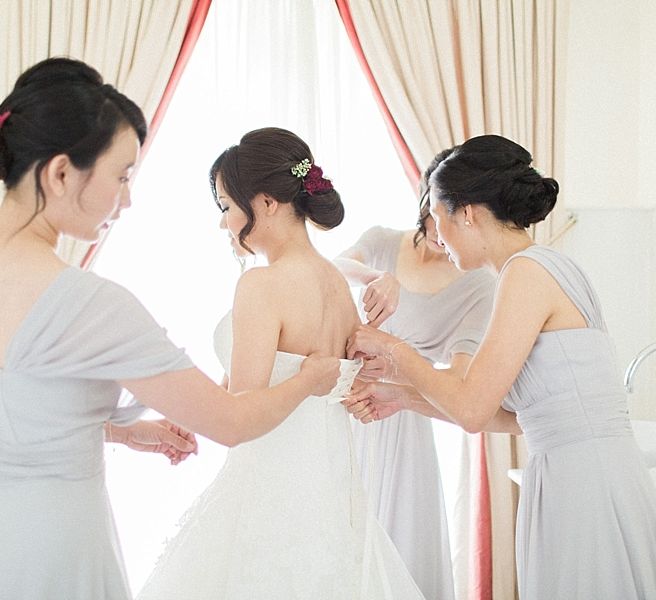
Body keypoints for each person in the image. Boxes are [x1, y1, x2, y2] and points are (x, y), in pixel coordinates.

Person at [0, 58, 340, 600]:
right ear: (61, 173)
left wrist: (117, 430)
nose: (127, 199)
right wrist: (309, 378)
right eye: (122, 176)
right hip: (52, 547)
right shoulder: (88, 304)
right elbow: (229, 421)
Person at [346, 134, 656, 599]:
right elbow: (515, 418)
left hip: (583, 486)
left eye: (437, 216)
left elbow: (471, 408)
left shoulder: (525, 274)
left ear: (466, 213)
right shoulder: (545, 267)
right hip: (583, 473)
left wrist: (394, 351)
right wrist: (402, 396)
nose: (435, 234)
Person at [136, 127, 427, 600]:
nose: (224, 223)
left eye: (227, 207)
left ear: (267, 203)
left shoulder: (262, 286)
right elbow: (251, 382)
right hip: (329, 490)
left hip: (269, 491)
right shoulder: (336, 285)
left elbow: (241, 409)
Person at [334, 148, 497, 600]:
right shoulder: (383, 241)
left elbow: (460, 382)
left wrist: (396, 367)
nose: (443, 232)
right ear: (428, 202)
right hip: (345, 408)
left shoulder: (479, 283)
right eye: (437, 212)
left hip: (401, 421)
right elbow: (326, 270)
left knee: (398, 547)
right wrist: (374, 277)